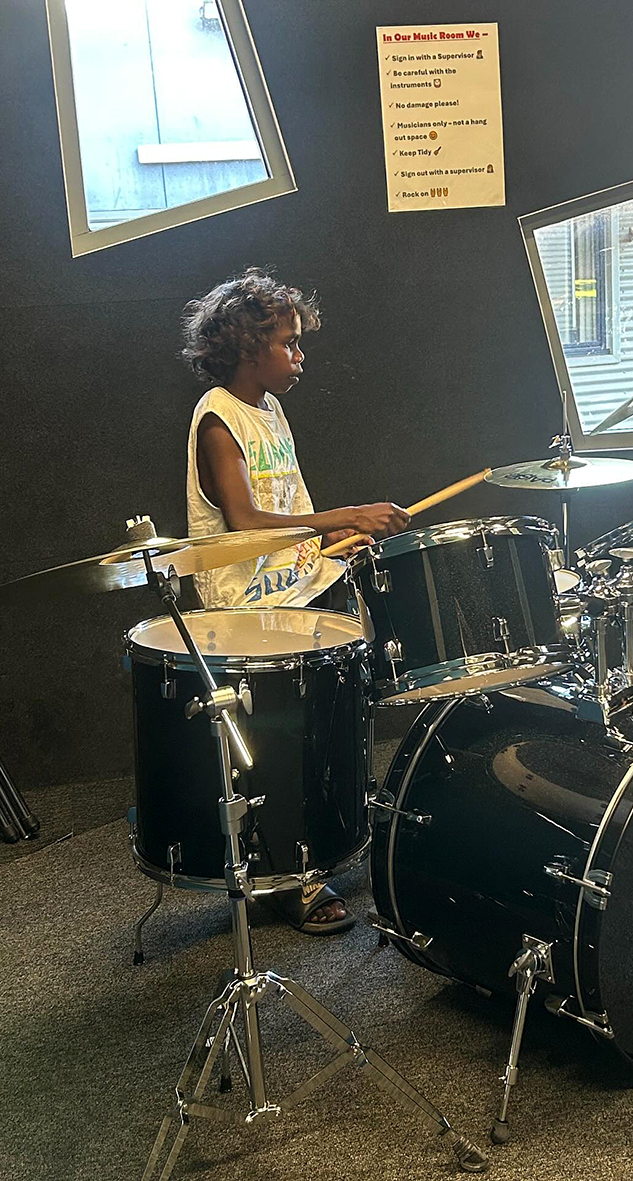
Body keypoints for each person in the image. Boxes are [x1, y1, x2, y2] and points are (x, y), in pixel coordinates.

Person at [182, 267, 410, 933]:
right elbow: (246, 523)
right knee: (277, 748)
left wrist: (338, 536)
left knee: (321, 727)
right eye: (289, 343)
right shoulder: (219, 420)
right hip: (242, 615)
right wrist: (351, 511)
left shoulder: (271, 411)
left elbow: (296, 515)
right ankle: (291, 874)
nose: (300, 357)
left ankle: (328, 836)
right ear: (248, 348)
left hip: (292, 593)